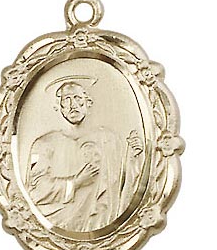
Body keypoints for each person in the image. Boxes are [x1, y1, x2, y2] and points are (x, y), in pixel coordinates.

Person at [25, 80, 144, 232]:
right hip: (59, 225)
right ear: (58, 106)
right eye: (66, 100)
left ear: (88, 103)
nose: (73, 105)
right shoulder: (44, 144)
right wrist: (76, 183)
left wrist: (133, 157)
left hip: (101, 224)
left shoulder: (107, 140)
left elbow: (120, 184)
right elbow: (36, 192)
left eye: (78, 98)